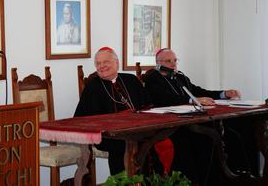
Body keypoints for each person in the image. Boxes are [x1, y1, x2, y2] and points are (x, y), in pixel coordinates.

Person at [144, 48, 259, 184]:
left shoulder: (180, 76)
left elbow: (198, 91)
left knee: (234, 132)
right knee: (207, 138)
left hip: (192, 120)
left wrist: (224, 93)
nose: (173, 64)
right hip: (174, 125)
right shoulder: (153, 78)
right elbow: (162, 98)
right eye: (168, 61)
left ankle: (238, 175)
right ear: (158, 63)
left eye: (175, 60)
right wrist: (192, 100)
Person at [74, 47, 154, 175]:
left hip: (137, 130)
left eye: (106, 62)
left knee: (154, 141)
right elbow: (84, 117)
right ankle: (122, 182)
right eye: (98, 63)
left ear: (116, 63)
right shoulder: (92, 87)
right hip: (108, 135)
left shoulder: (131, 80)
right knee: (123, 144)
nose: (102, 66)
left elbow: (147, 108)